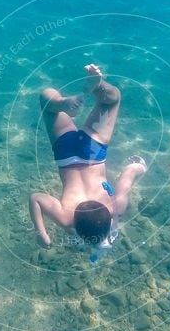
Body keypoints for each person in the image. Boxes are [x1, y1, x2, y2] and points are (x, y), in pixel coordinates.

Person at [29, 64, 147, 251]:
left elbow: (128, 175)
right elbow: (35, 197)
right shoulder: (66, 219)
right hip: (65, 153)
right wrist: (41, 232)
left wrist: (139, 166)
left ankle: (98, 87)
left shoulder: (115, 209)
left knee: (111, 100)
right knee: (46, 98)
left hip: (92, 151)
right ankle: (60, 103)